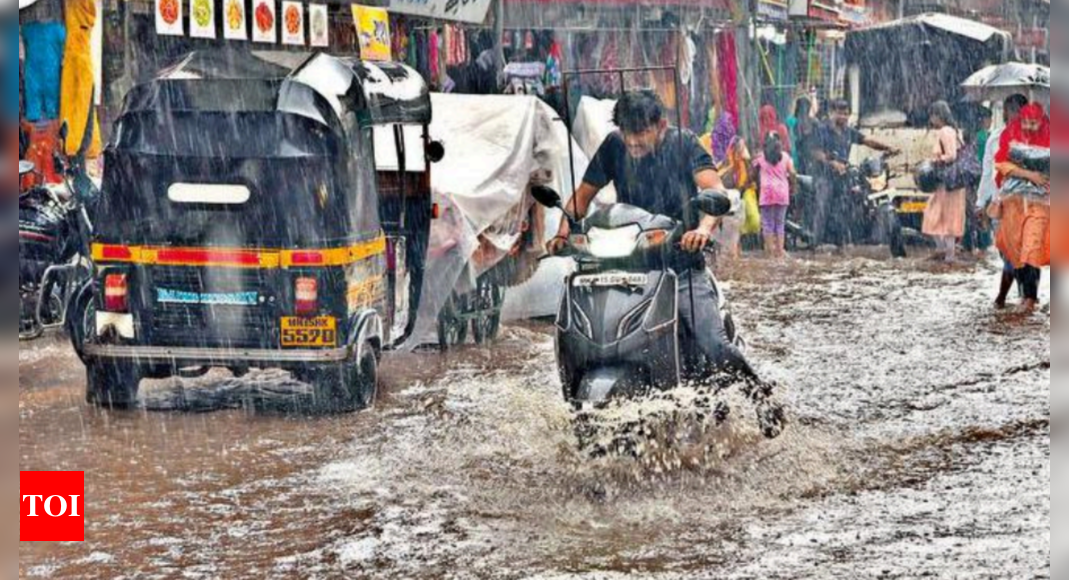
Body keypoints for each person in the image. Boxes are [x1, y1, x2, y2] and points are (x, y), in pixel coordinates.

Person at [547, 90, 764, 386]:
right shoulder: (614, 145)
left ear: (661, 126)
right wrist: (562, 233)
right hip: (629, 264)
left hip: (679, 262)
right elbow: (580, 199)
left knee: (714, 345)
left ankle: (761, 395)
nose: (633, 141)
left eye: (641, 132)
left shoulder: (684, 143)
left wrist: (701, 229)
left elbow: (715, 190)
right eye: (627, 133)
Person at [808, 99, 900, 247]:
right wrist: (832, 163)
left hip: (843, 177)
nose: (843, 117)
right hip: (824, 176)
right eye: (840, 113)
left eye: (846, 114)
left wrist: (887, 148)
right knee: (823, 206)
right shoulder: (822, 129)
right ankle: (816, 243)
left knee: (848, 206)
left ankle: (844, 242)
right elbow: (815, 152)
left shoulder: (848, 132)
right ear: (831, 113)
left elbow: (867, 140)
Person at [994, 103, 1050, 314]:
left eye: (1033, 123)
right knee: (1015, 250)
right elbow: (1000, 163)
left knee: (1032, 247)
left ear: (1042, 120)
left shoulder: (1055, 134)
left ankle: (1030, 298)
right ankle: (1017, 295)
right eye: (1025, 121)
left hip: (1042, 204)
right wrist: (1029, 174)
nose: (1028, 126)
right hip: (1014, 203)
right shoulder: (1011, 132)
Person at [978, 94, 1029, 308]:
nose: (1013, 114)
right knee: (1006, 252)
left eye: (1018, 110)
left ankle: (1003, 298)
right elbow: (987, 173)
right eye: (1010, 110)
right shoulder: (995, 138)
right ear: (1005, 112)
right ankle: (1023, 294)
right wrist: (981, 204)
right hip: (1000, 204)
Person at [922, 101, 967, 263]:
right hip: (955, 182)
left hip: (947, 182)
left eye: (932, 116)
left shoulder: (944, 131)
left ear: (937, 115)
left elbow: (951, 156)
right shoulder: (955, 131)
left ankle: (944, 252)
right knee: (950, 218)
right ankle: (949, 256)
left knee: (932, 214)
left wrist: (935, 160)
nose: (931, 120)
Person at [753, 132, 796, 259]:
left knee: (767, 223)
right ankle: (780, 252)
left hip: (766, 193)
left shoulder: (761, 157)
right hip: (782, 193)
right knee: (780, 224)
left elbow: (752, 171)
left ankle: (770, 253)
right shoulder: (785, 157)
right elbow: (792, 173)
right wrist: (793, 186)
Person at [788, 95, 817, 175]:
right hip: (809, 155)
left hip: (795, 155)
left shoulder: (791, 121)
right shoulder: (813, 122)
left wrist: (794, 103)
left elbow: (790, 115)